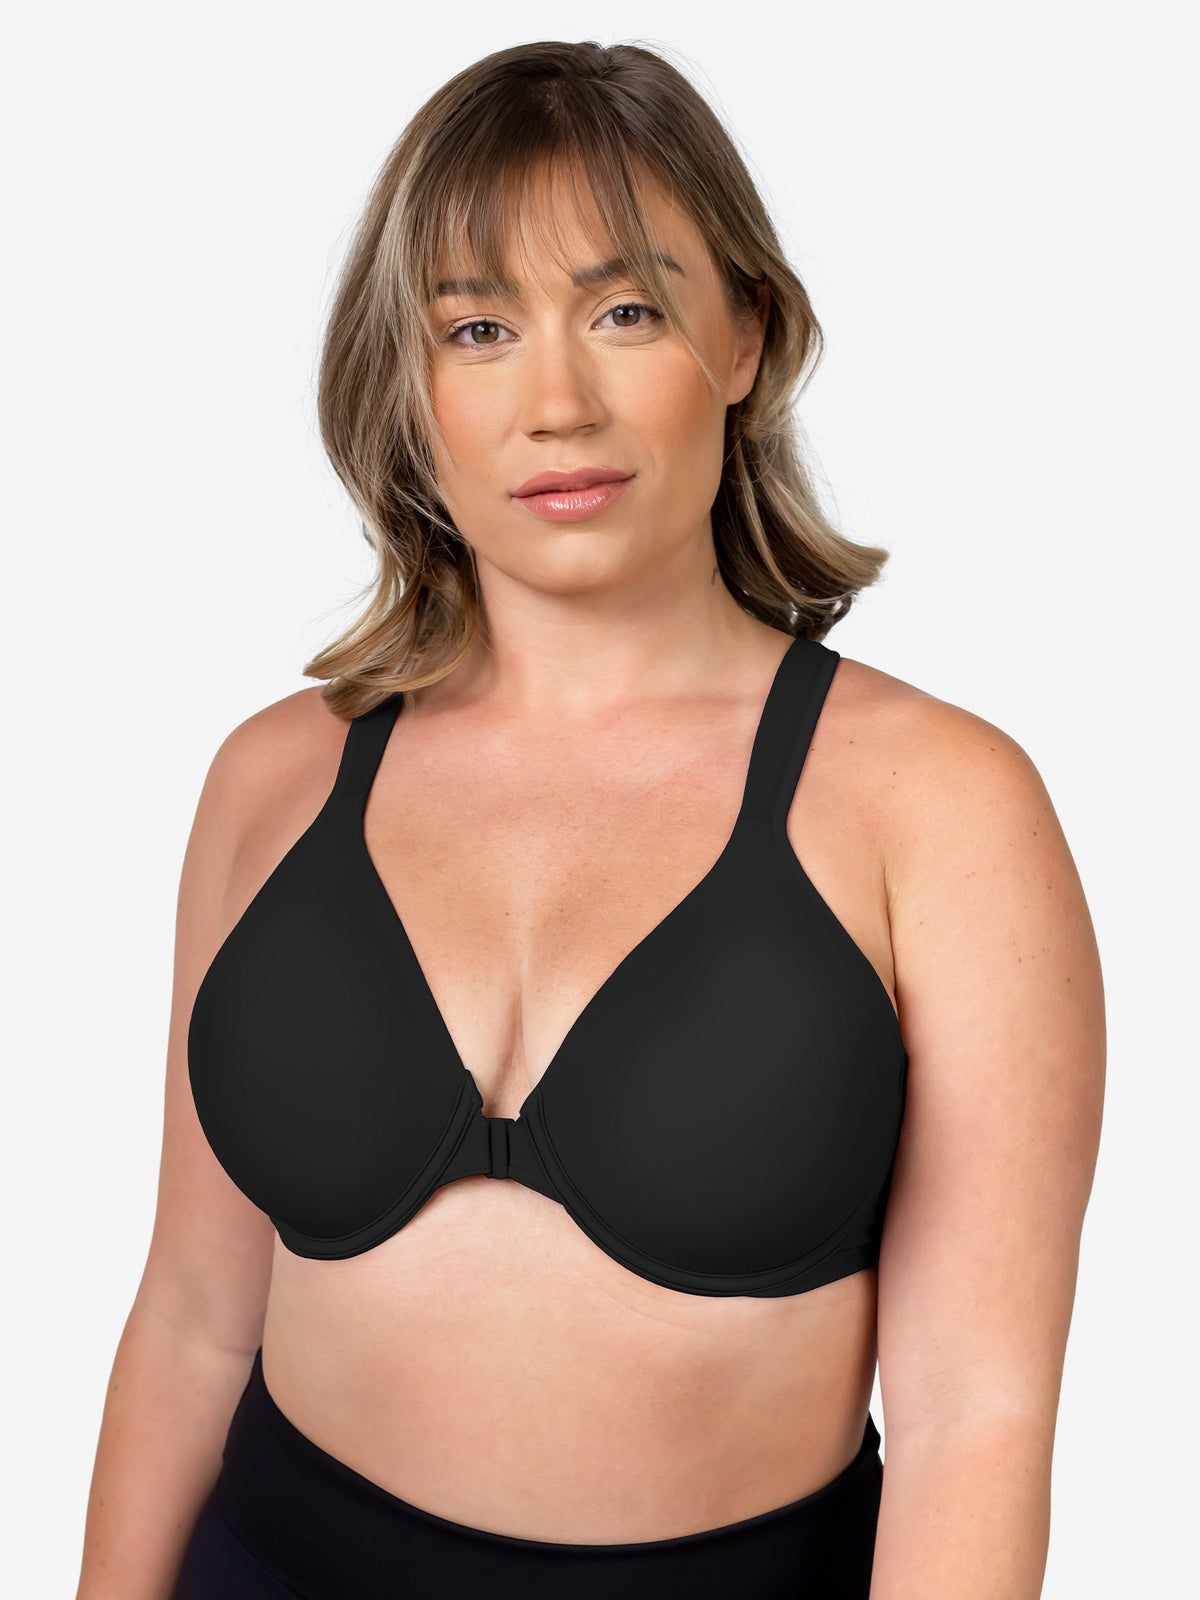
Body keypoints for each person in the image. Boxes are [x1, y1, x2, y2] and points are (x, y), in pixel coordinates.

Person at [75, 38, 1105, 1600]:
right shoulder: (277, 780)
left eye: (625, 312)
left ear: (746, 334)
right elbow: (194, 1321)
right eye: (479, 329)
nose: (556, 404)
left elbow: (978, 1421)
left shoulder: (940, 807)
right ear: (410, 386)